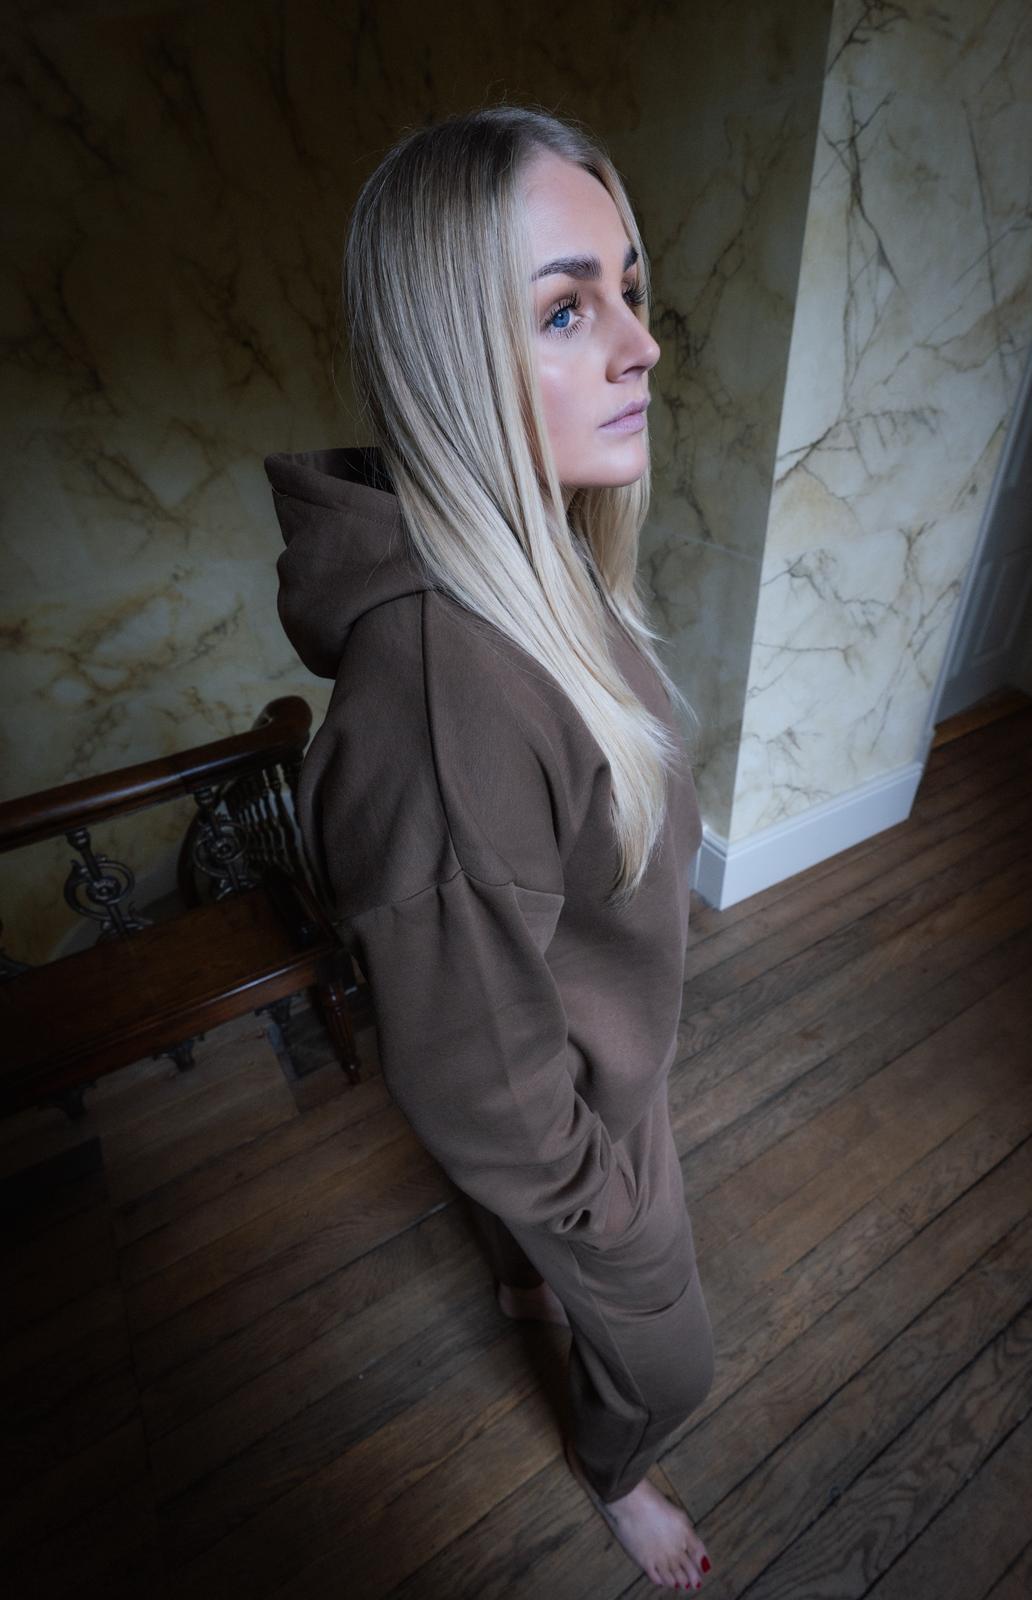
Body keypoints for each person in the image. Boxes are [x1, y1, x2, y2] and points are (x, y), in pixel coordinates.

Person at [264, 103, 715, 1592]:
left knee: (565, 1258)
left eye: (629, 291)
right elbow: (476, 1080)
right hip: (584, 1132)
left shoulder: (542, 571)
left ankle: (542, 1280)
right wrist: (611, 1231)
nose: (640, 344)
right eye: (567, 309)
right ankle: (619, 1464)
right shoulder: (445, 696)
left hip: (609, 1066)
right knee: (670, 1357)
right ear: (453, 358)